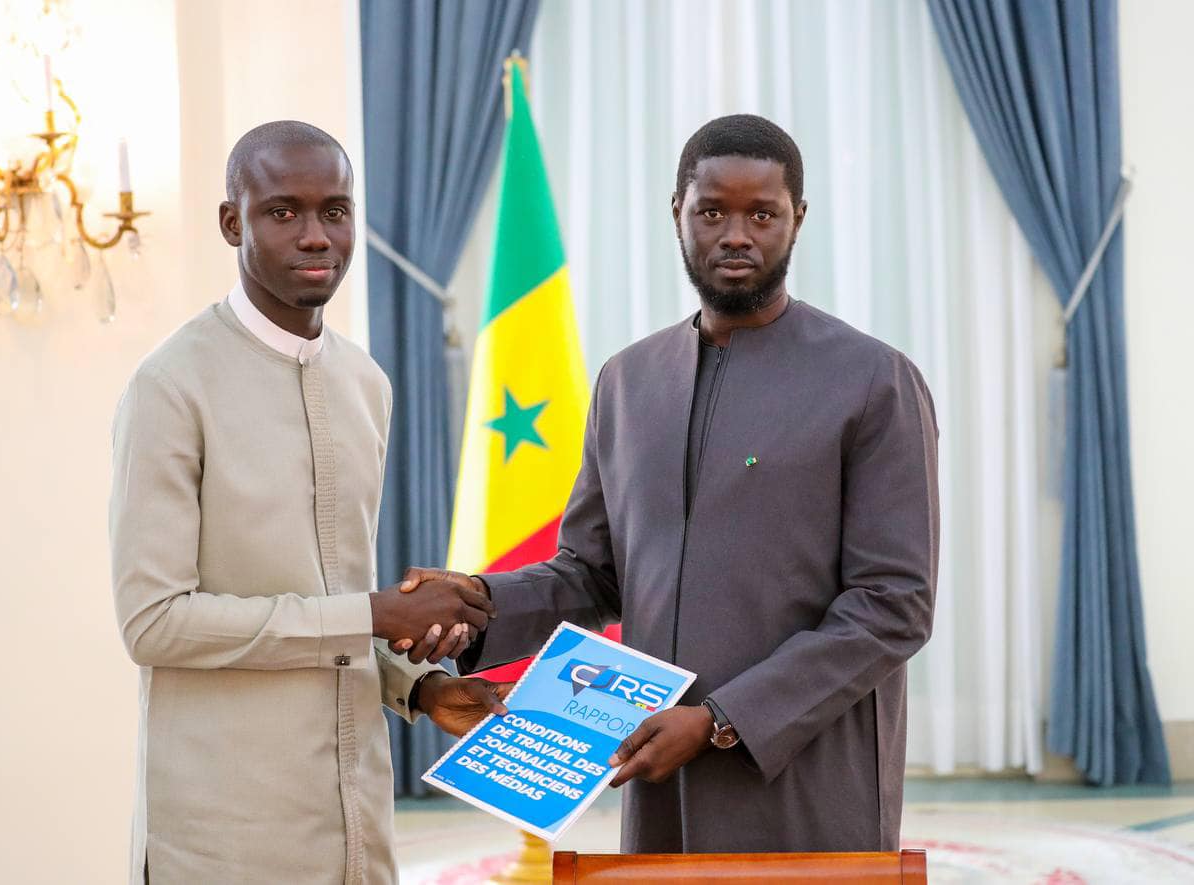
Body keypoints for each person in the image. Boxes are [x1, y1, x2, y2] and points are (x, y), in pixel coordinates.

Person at [399, 114, 939, 854]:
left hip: (807, 777)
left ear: (799, 219)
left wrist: (723, 718)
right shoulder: (627, 382)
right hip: (654, 772)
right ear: (677, 214)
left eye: (763, 213)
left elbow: (893, 606)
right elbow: (592, 573)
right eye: (712, 210)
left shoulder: (873, 381)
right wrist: (478, 602)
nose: (737, 234)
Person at [109, 120, 505, 885]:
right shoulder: (170, 387)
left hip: (359, 831)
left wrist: (419, 687)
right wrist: (374, 614)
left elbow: (331, 602)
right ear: (233, 222)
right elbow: (153, 622)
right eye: (282, 211)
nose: (316, 234)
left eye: (335, 210)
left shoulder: (366, 385)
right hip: (225, 841)